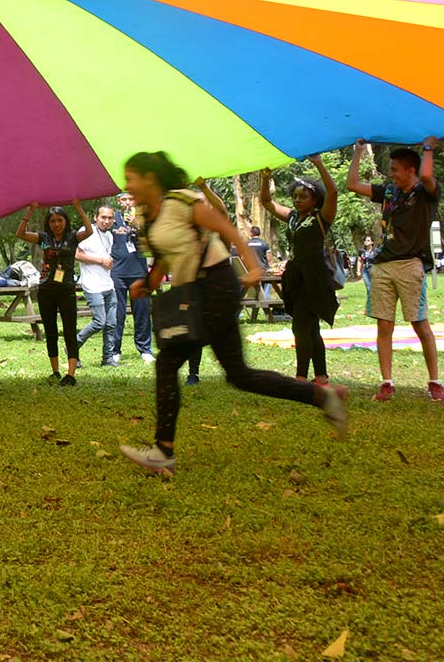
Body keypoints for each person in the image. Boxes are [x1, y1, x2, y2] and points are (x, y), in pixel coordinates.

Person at [118, 152, 346, 476]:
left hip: (216, 286)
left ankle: (163, 450)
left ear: (149, 178)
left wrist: (254, 268)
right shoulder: (146, 216)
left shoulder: (182, 202)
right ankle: (323, 398)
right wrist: (148, 282)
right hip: (190, 294)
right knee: (240, 375)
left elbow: (226, 227)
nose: (127, 185)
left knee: (168, 362)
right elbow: (164, 258)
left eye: (131, 178)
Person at [346, 139, 444, 402]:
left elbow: (426, 174)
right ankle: (387, 383)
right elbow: (352, 185)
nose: (391, 174)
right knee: (384, 325)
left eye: (395, 169)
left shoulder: (426, 192)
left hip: (411, 265)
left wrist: (428, 148)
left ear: (410, 170)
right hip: (382, 266)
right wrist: (357, 152)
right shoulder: (389, 192)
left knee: (419, 322)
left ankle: (435, 382)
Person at [258, 155, 340, 387]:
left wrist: (318, 164)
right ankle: (321, 377)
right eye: (295, 196)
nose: (297, 200)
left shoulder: (321, 218)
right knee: (310, 328)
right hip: (295, 276)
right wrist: (266, 177)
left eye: (303, 196)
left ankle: (301, 378)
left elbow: (333, 192)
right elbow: (267, 202)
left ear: (315, 200)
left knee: (301, 327)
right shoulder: (293, 218)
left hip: (314, 277)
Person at [17, 201, 87, 385]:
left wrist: (78, 207)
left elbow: (89, 230)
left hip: (67, 290)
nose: (56, 224)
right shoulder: (43, 238)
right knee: (51, 331)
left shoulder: (73, 237)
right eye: (53, 221)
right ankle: (55, 371)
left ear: (65, 221)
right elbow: (20, 233)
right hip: (46, 289)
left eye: (60, 220)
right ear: (48, 223)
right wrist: (30, 210)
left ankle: (70, 375)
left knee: (70, 331)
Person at [109, 192, 154, 363]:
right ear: (118, 201)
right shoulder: (112, 219)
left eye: (131, 199)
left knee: (142, 312)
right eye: (124, 199)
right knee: (117, 313)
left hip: (139, 273)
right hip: (117, 273)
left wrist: (138, 225)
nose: (127, 202)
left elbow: (152, 246)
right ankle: (115, 350)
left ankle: (145, 350)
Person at [75, 204, 121, 365]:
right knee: (99, 322)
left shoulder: (109, 236)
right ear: (96, 217)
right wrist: (100, 260)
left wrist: (107, 261)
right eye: (103, 217)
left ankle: (107, 358)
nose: (106, 221)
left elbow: (104, 256)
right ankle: (73, 347)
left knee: (111, 324)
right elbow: (76, 253)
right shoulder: (86, 231)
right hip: (92, 285)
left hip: (108, 285)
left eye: (110, 218)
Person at [246, 226, 272, 304]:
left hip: (251, 271)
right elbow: (269, 259)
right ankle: (266, 303)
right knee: (267, 285)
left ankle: (253, 300)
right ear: (259, 233)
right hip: (263, 270)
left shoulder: (246, 244)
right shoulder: (264, 244)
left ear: (251, 233)